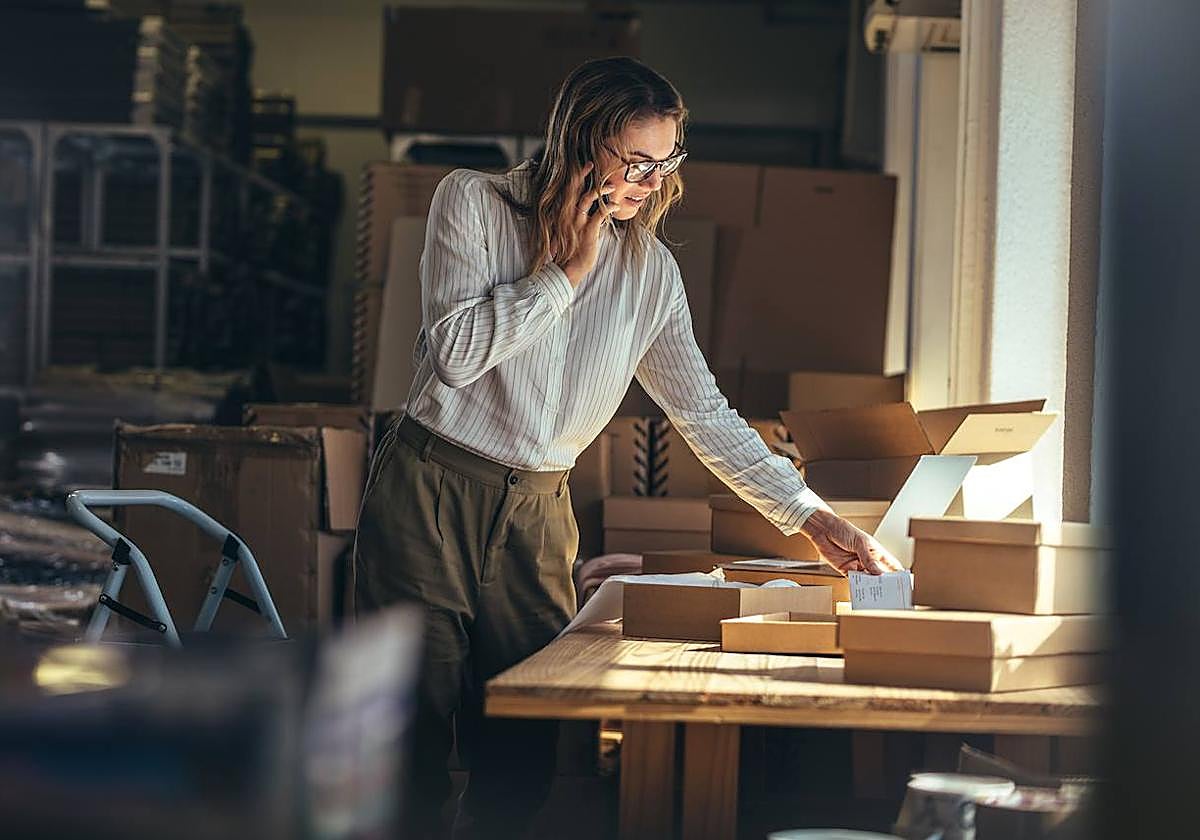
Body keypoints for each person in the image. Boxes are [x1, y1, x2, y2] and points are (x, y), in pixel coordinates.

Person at [354, 56, 904, 839]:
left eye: (666, 161)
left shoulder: (651, 273)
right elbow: (453, 353)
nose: (652, 180)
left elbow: (705, 415)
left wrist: (812, 518)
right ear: (580, 143)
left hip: (538, 514)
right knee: (406, 732)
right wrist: (566, 275)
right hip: (429, 489)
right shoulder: (471, 203)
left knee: (522, 745)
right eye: (636, 161)